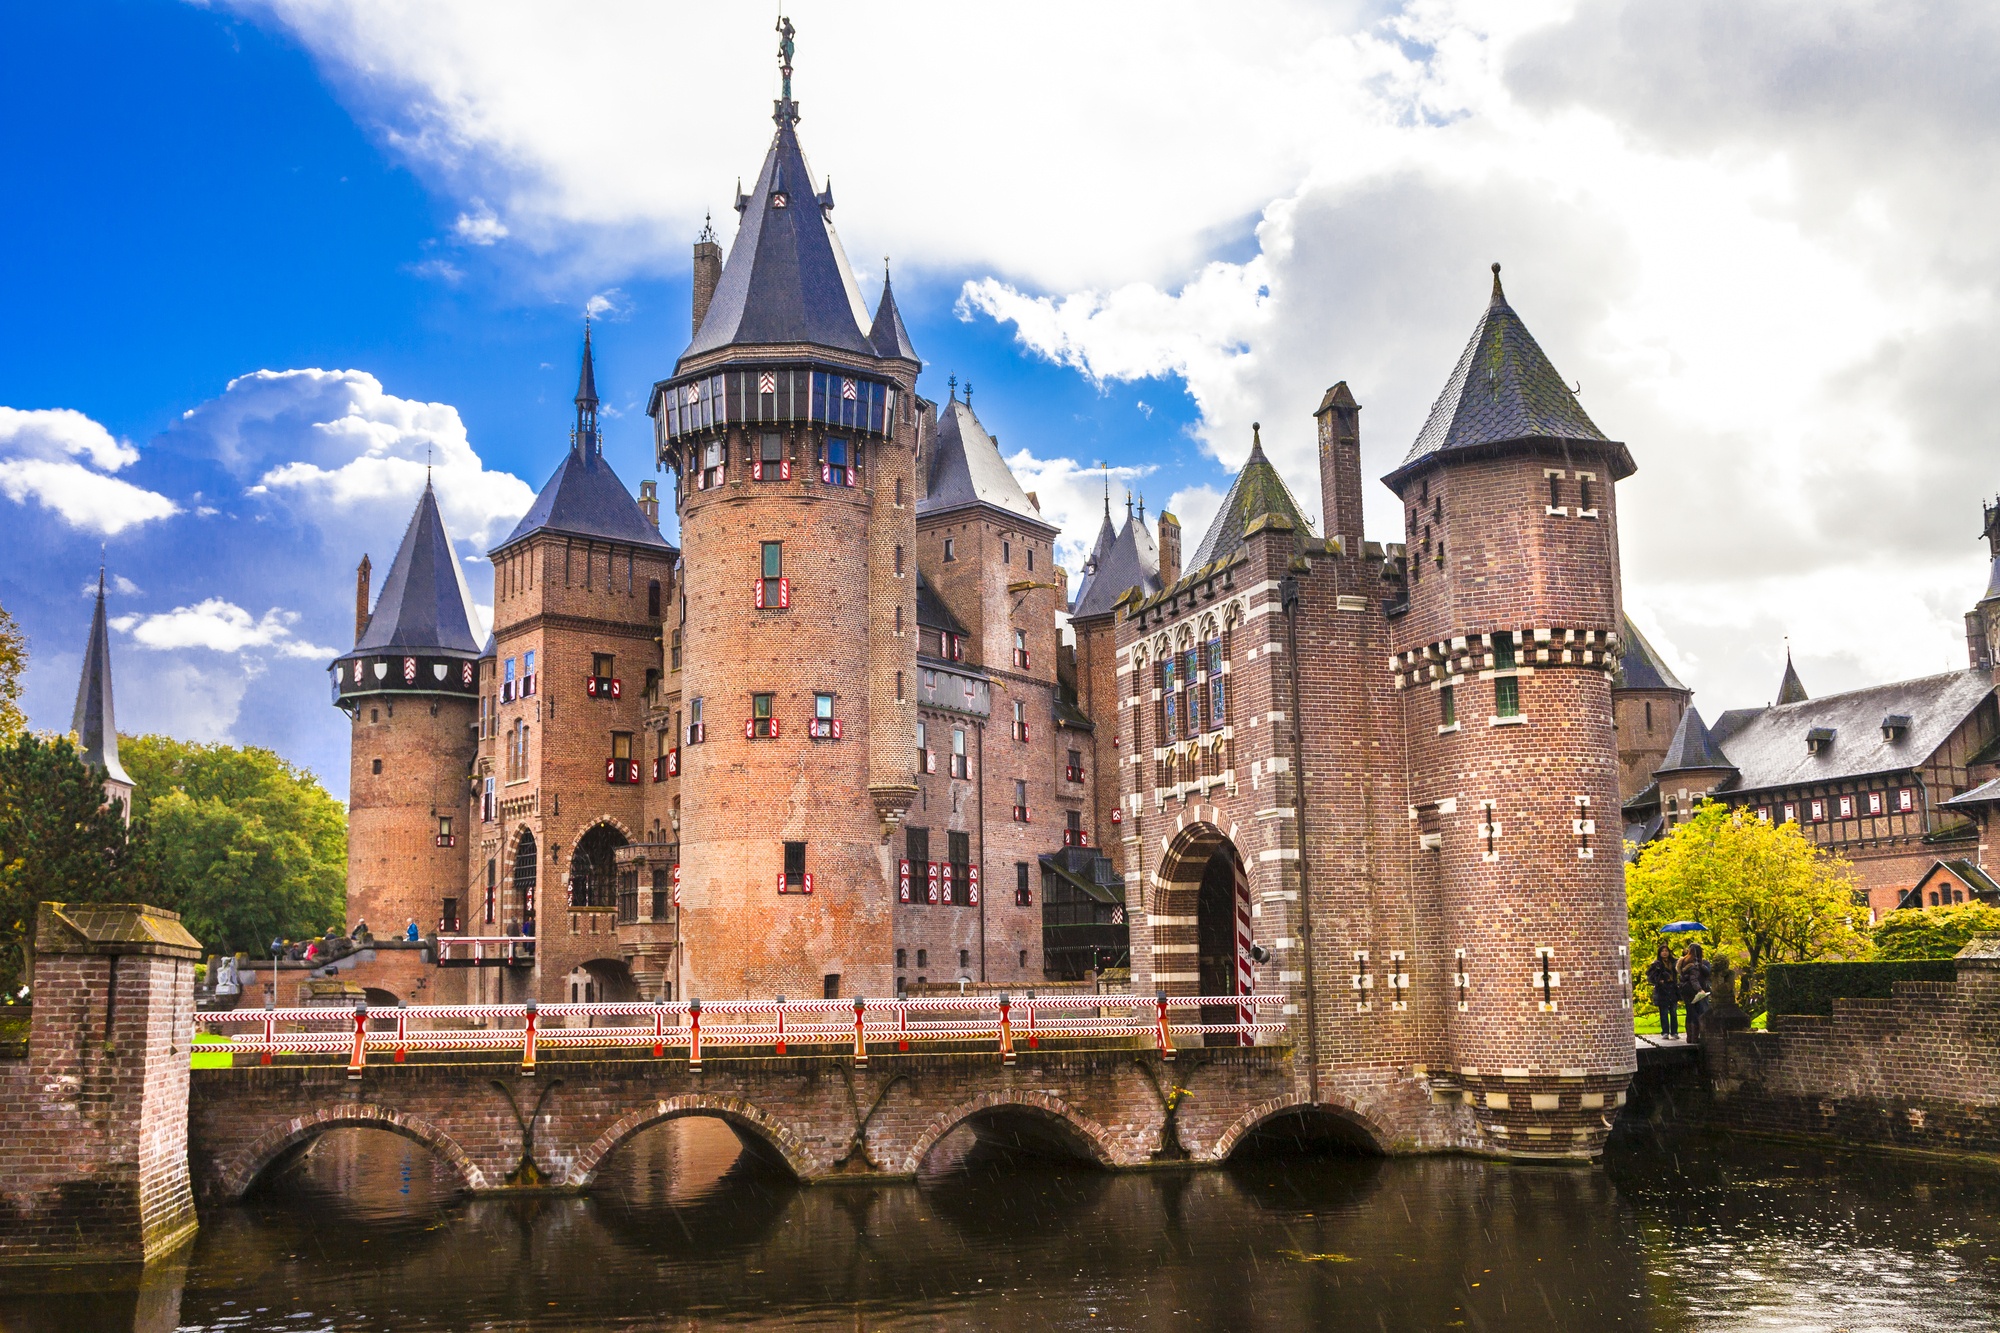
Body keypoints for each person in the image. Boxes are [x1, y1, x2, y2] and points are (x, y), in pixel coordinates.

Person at [1680, 942, 1713, 1041]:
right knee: (1698, 1012)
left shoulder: (1684, 962)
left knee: (1690, 1012)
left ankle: (1690, 1036)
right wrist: (1700, 989)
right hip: (1696, 991)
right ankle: (1695, 1036)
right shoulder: (1695, 965)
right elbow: (1694, 978)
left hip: (1686, 990)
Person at [1647, 943, 1681, 1039]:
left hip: (1673, 988)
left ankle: (1674, 1032)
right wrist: (1659, 981)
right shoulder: (1657, 964)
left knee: (1673, 1012)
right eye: (1663, 951)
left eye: (1666, 951)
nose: (1665, 953)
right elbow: (1650, 976)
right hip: (1662, 989)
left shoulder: (1674, 962)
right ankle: (1665, 1031)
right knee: (1664, 1012)